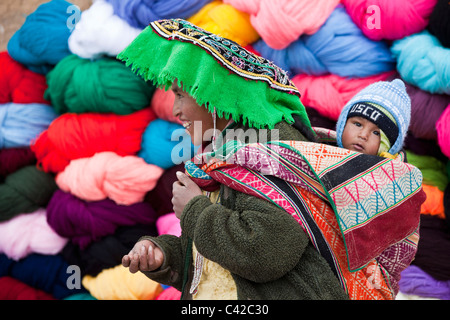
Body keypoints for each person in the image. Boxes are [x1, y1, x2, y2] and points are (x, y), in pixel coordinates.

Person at [119, 18, 348, 300]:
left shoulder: (272, 145)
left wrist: (194, 209)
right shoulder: (220, 155)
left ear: (211, 92)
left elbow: (268, 252)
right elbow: (216, 264)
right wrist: (163, 256)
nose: (176, 110)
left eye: (180, 95)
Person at [335, 78, 411, 158]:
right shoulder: (322, 148)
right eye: (358, 124)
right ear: (343, 124)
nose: (363, 135)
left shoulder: (396, 170)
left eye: (376, 133)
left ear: (390, 146)